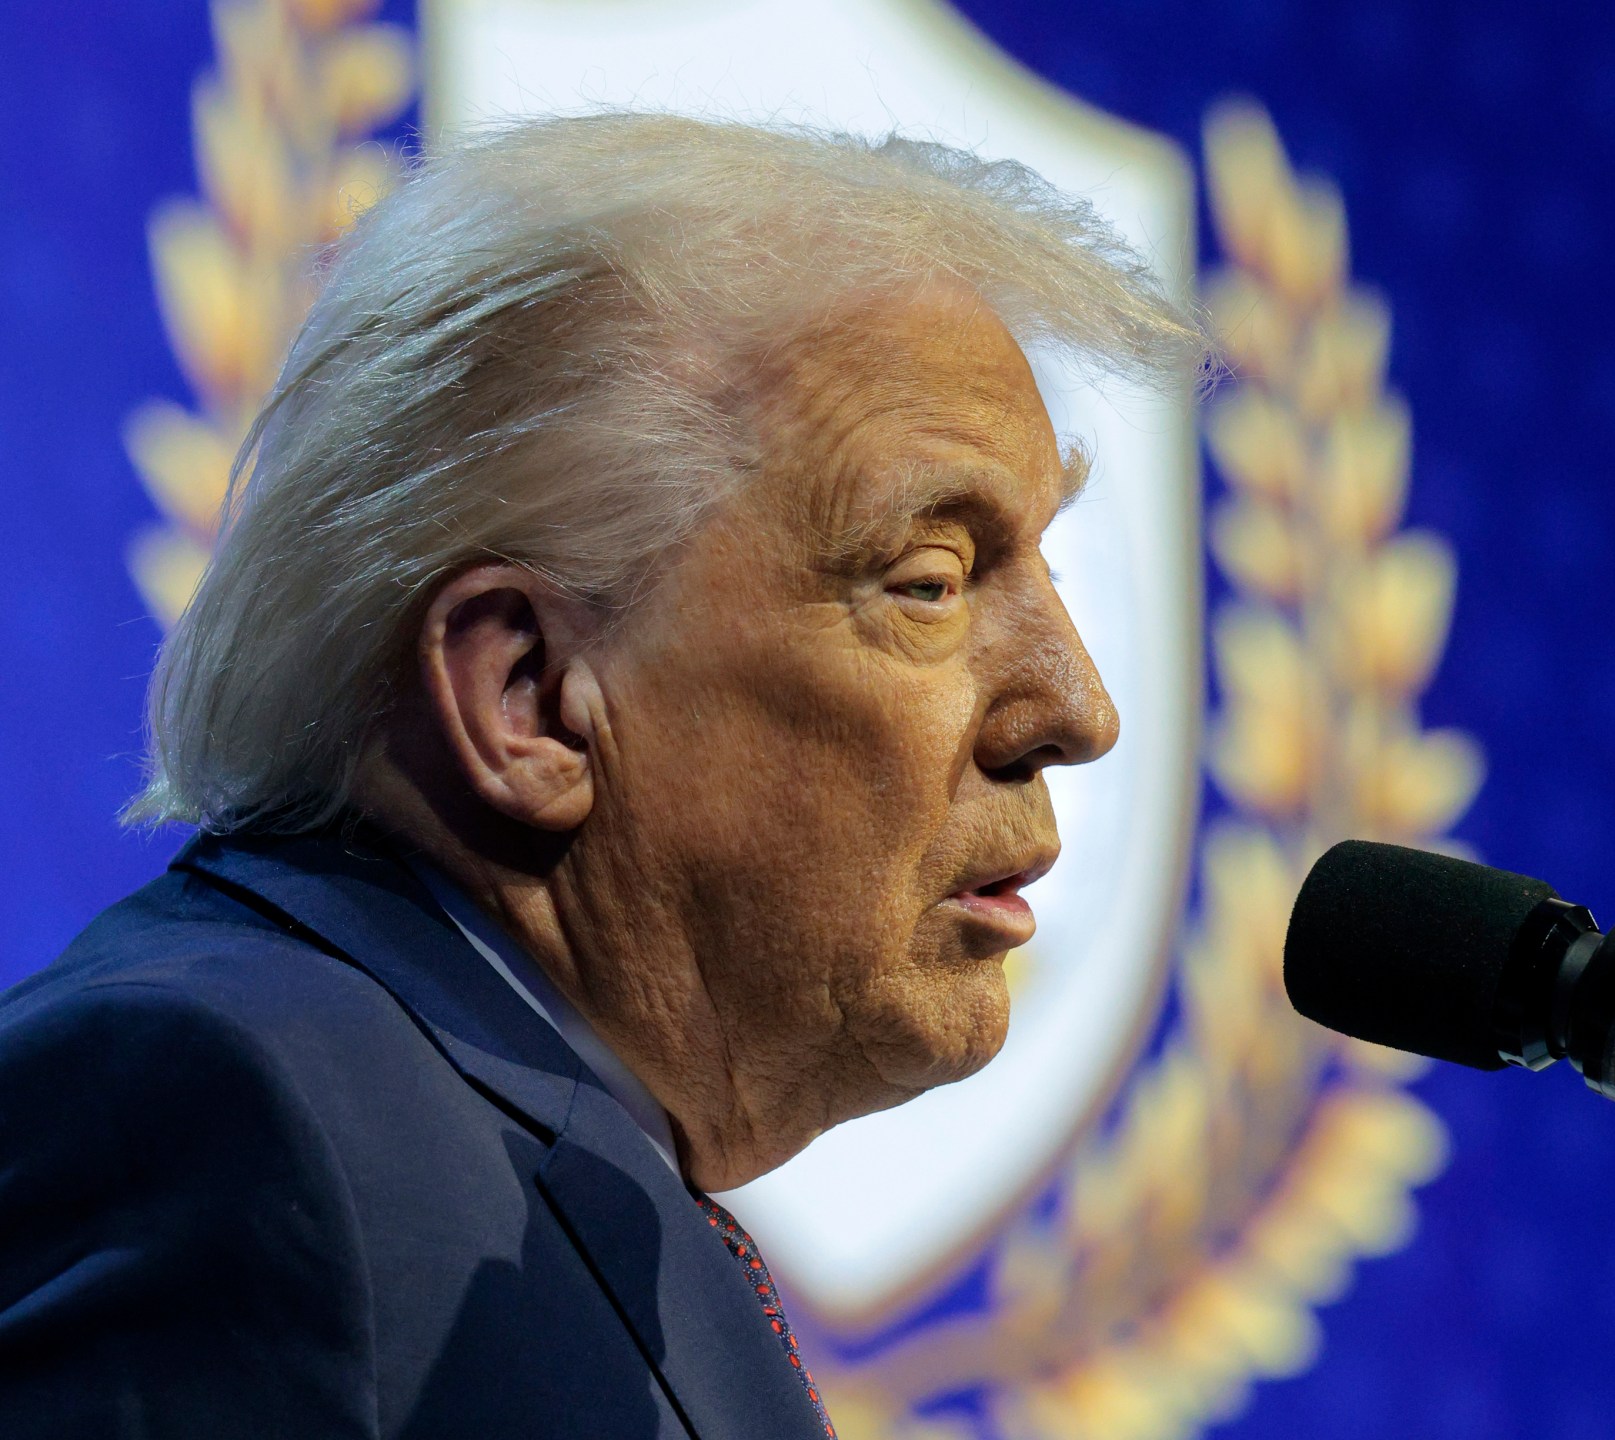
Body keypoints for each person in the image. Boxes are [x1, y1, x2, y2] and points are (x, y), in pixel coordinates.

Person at [0, 113, 1199, 1438]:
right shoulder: (230, 1116)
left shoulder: (557, 1164)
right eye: (928, 582)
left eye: (1044, 571)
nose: (1078, 711)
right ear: (527, 698)